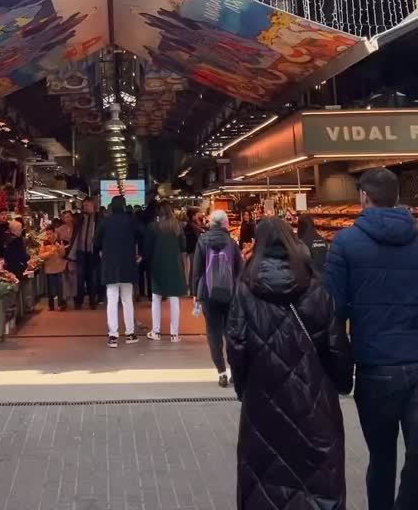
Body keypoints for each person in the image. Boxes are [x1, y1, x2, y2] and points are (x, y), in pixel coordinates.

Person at [227, 216, 353, 510]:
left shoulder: (246, 286)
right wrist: (342, 383)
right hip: (315, 400)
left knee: (264, 476)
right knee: (318, 479)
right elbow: (335, 344)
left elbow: (236, 344)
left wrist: (244, 388)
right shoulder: (315, 284)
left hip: (262, 400)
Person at [323, 166, 418, 510]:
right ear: (397, 198)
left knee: (380, 459)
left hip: (374, 368)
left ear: (363, 196)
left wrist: (336, 370)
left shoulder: (345, 244)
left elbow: (332, 313)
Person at [192, 208, 242, 387]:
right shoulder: (231, 243)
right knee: (231, 333)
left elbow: (196, 271)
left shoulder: (202, 241)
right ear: (225, 224)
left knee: (213, 334)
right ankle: (235, 372)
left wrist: (195, 295)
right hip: (230, 295)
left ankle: (221, 372)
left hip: (208, 294)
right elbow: (239, 271)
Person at [94, 194, 141, 347]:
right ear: (124, 205)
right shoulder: (131, 221)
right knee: (127, 300)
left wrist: (101, 251)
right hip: (128, 265)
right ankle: (130, 333)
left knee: (112, 300)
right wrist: (140, 254)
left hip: (110, 266)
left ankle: (113, 336)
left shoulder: (105, 222)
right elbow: (143, 236)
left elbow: (95, 241)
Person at [144, 200, 187, 342]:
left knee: (156, 298)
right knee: (174, 299)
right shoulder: (178, 227)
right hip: (174, 266)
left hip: (157, 265)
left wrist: (146, 262)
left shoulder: (153, 227)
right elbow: (183, 247)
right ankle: (174, 334)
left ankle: (156, 331)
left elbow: (148, 249)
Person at [70, 197, 98, 309]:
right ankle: (79, 301)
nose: (85, 207)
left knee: (92, 278)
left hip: (92, 252)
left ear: (92, 205)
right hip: (81, 251)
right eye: (84, 205)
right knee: (80, 277)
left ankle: (92, 301)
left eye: (87, 205)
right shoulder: (80, 218)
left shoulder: (98, 218)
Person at [40, 225, 67, 310]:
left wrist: (60, 249)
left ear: (54, 233)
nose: (49, 236)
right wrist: (49, 253)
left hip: (59, 268)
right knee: (51, 289)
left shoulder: (59, 242)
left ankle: (61, 304)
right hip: (49, 269)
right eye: (47, 234)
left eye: (50, 234)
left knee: (60, 288)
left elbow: (63, 254)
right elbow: (41, 256)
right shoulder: (44, 243)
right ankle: (51, 306)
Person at [57, 210, 77, 304]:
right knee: (64, 277)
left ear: (72, 217)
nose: (67, 219)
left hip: (73, 255)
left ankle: (75, 295)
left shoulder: (76, 228)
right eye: (65, 217)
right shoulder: (59, 230)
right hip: (63, 255)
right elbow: (56, 242)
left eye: (68, 216)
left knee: (74, 276)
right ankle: (66, 296)